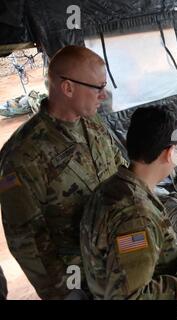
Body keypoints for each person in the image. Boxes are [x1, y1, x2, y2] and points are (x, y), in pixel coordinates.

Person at [0, 45, 127, 299]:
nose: (104, 95)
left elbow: (118, 167)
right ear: (67, 88)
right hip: (80, 278)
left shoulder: (90, 120)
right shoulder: (21, 155)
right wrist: (64, 293)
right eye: (98, 87)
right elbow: (27, 240)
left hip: (118, 258)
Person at [80, 106, 177, 300]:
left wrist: (170, 249)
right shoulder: (136, 217)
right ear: (170, 153)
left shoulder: (110, 188)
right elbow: (132, 297)